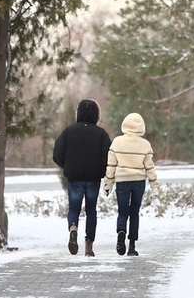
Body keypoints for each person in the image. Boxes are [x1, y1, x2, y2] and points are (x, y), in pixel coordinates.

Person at [52, 99, 111, 257]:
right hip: (93, 179)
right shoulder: (101, 134)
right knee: (91, 211)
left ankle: (73, 228)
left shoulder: (68, 131)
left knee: (74, 208)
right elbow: (108, 157)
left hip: (74, 177)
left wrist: (67, 166)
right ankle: (89, 247)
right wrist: (101, 170)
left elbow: (57, 154)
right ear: (96, 114)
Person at [103, 112, 160, 256]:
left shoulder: (117, 142)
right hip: (139, 182)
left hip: (122, 182)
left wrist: (108, 183)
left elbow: (111, 165)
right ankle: (132, 246)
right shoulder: (145, 144)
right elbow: (149, 167)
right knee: (134, 213)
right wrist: (154, 185)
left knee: (122, 212)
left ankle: (121, 232)